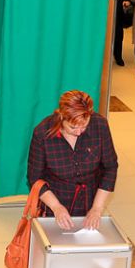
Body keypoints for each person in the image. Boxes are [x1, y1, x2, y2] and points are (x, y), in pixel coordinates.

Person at [27, 90, 118, 230]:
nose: (79, 132)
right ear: (61, 117)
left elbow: (110, 167)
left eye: (84, 126)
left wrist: (97, 208)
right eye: (73, 127)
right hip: (55, 199)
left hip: (90, 199)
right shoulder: (43, 133)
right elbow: (34, 178)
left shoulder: (100, 125)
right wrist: (56, 207)